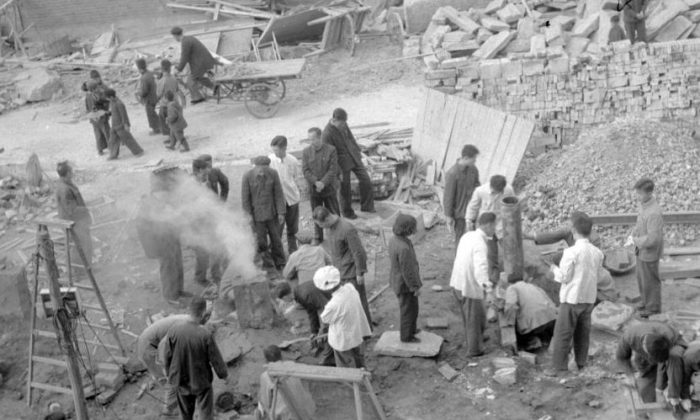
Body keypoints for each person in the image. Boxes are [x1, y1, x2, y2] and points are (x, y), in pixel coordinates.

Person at [545, 214, 603, 377]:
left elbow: (564, 277)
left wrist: (553, 269)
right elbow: (597, 274)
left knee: (563, 332)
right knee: (582, 332)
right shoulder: (597, 253)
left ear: (573, 231)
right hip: (588, 299)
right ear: (590, 232)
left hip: (571, 299)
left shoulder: (570, 252)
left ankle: (559, 367)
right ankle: (581, 363)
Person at [525, 211, 618, 303]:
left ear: (575, 228)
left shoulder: (594, 241)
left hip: (585, 266)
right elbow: (552, 236)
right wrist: (529, 236)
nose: (568, 227)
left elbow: (588, 266)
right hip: (573, 258)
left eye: (570, 225)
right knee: (551, 259)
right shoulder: (570, 232)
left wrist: (562, 274)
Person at [163, 297, 228, 420]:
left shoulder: (173, 330)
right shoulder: (205, 335)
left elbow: (167, 356)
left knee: (185, 414)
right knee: (205, 413)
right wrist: (224, 375)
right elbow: (216, 359)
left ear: (190, 310)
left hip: (180, 380)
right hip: (201, 382)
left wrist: (170, 375)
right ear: (203, 313)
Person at [313, 206, 372, 326]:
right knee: (347, 303)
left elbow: (358, 252)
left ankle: (366, 330)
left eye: (321, 225)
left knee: (358, 301)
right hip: (340, 273)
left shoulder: (347, 229)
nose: (321, 228)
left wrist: (360, 272)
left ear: (328, 219)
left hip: (351, 273)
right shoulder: (329, 228)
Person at [617, 321, 688, 417]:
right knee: (644, 388)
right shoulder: (629, 337)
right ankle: (650, 412)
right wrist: (630, 376)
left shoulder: (667, 335)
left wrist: (662, 389)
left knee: (673, 359)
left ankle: (674, 401)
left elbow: (662, 368)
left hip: (675, 346)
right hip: (644, 358)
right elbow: (622, 358)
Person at [449, 212, 496, 357]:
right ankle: (475, 350)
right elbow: (481, 267)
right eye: (494, 225)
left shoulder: (467, 236)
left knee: (474, 315)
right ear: (488, 225)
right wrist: (488, 289)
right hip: (467, 286)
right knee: (473, 319)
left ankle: (476, 338)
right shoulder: (480, 243)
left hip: (457, 282)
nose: (495, 229)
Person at [136, 167, 185, 303]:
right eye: (166, 192)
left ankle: (179, 290)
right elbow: (145, 228)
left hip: (172, 237)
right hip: (162, 241)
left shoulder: (165, 199)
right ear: (158, 191)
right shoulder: (149, 204)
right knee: (168, 268)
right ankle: (170, 296)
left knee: (177, 264)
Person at [321, 108, 374, 219]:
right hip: (341, 163)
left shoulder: (344, 124)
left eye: (345, 123)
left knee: (366, 180)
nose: (344, 125)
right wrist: (337, 171)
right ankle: (347, 212)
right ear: (334, 120)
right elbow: (330, 156)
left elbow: (351, 138)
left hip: (353, 156)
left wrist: (358, 151)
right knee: (345, 189)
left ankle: (367, 207)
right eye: (342, 123)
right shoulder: (326, 134)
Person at [136, 313, 191, 416]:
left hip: (151, 342)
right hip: (149, 348)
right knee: (171, 379)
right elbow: (163, 347)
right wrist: (168, 370)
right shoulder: (183, 328)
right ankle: (169, 409)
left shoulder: (187, 320)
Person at [318, 266, 371, 368]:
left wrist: (321, 331)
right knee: (358, 356)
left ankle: (352, 382)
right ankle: (364, 374)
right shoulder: (350, 287)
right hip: (356, 333)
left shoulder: (332, 305)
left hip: (342, 339)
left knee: (345, 364)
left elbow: (325, 319)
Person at [465, 174, 514, 283]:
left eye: (501, 191)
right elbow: (473, 206)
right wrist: (469, 220)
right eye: (497, 191)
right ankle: (493, 280)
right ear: (491, 187)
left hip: (503, 226)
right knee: (491, 255)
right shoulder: (480, 191)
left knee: (510, 252)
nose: (499, 193)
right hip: (487, 227)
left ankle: (512, 277)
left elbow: (512, 206)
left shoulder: (508, 190)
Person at [627, 177, 664, 318]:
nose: (637, 196)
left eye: (639, 194)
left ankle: (653, 308)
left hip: (649, 253)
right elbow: (640, 223)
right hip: (641, 251)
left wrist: (635, 240)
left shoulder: (654, 213)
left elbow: (653, 239)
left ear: (648, 193)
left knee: (650, 280)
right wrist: (634, 232)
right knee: (641, 278)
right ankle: (645, 301)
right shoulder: (644, 205)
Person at [242, 156, 286, 270]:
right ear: (255, 167)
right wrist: (248, 217)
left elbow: (279, 194)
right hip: (257, 216)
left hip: (273, 213)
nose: (263, 171)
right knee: (261, 241)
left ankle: (280, 262)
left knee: (276, 239)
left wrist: (281, 212)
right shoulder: (247, 176)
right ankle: (268, 264)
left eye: (265, 168)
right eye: (260, 169)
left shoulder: (273, 173)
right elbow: (245, 199)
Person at [275, 280, 335, 366]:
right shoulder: (299, 294)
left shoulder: (305, 294)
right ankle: (327, 352)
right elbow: (312, 311)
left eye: (283, 299)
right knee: (324, 332)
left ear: (287, 296)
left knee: (330, 330)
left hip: (334, 303)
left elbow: (326, 310)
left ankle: (329, 358)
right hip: (328, 302)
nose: (285, 302)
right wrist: (314, 331)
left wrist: (322, 330)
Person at [192, 155, 229, 285]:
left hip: (213, 219)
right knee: (202, 252)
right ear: (198, 171)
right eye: (205, 170)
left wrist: (221, 202)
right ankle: (200, 278)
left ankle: (216, 275)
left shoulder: (211, 175)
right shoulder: (190, 184)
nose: (208, 171)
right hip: (199, 224)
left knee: (217, 247)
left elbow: (225, 184)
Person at [256, 345, 316, 420]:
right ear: (281, 356)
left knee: (261, 403)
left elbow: (266, 402)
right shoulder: (291, 365)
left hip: (284, 414)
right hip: (304, 406)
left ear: (266, 360)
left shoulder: (265, 376)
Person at [302, 126, 340, 243]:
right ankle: (318, 237)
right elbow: (305, 170)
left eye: (313, 139)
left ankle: (337, 235)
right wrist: (316, 182)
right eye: (309, 140)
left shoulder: (331, 150)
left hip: (329, 189)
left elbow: (333, 170)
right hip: (314, 191)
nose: (311, 142)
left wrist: (323, 183)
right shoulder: (306, 152)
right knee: (316, 214)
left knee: (333, 212)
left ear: (320, 138)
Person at [389, 214, 422, 343]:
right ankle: (406, 336)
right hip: (405, 285)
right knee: (408, 311)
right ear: (407, 229)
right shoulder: (403, 248)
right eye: (413, 227)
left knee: (413, 308)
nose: (415, 230)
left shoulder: (395, 240)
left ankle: (411, 330)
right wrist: (415, 287)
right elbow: (408, 271)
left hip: (398, 281)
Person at [503, 273, 557, 351]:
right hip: (551, 319)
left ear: (509, 282)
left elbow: (511, 305)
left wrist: (509, 321)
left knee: (520, 330)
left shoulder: (512, 288)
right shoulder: (533, 286)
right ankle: (545, 339)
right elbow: (550, 302)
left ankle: (533, 342)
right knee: (542, 324)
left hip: (534, 324)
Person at [55, 161, 93, 266]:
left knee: (84, 246)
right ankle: (81, 271)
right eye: (71, 171)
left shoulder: (65, 184)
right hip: (73, 223)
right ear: (67, 173)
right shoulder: (65, 189)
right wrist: (87, 209)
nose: (72, 173)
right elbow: (72, 211)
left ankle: (85, 268)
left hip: (75, 221)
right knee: (83, 246)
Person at [268, 135, 301, 253]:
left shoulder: (293, 160)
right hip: (277, 202)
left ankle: (293, 252)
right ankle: (277, 255)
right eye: (273, 150)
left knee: (293, 229)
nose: (275, 152)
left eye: (277, 150)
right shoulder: (270, 161)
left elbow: (295, 177)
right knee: (277, 230)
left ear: (284, 148)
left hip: (292, 199)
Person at [171, 26, 219, 104]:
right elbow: (185, 56)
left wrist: (178, 69)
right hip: (202, 60)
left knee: (190, 80)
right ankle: (214, 87)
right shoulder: (189, 38)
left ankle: (198, 97)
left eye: (173, 37)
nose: (174, 38)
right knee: (199, 77)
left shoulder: (185, 42)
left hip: (200, 62)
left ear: (175, 36)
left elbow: (184, 57)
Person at [444, 144, 480, 244]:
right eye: (473, 159)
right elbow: (448, 197)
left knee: (472, 236)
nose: (475, 161)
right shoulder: (452, 174)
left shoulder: (473, 170)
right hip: (460, 213)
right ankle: (459, 258)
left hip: (472, 210)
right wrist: (448, 216)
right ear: (465, 158)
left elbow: (477, 185)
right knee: (461, 239)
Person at [104, 88, 144, 160]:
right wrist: (109, 113)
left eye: (107, 98)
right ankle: (113, 155)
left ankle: (138, 152)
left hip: (121, 126)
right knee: (112, 141)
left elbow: (124, 115)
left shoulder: (119, 104)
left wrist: (126, 125)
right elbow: (114, 112)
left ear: (111, 97)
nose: (107, 99)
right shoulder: (112, 102)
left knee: (128, 140)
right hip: (114, 126)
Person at [136, 58, 161, 135]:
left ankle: (156, 129)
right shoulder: (150, 73)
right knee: (153, 113)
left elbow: (144, 91)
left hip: (149, 99)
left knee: (150, 114)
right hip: (154, 96)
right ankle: (161, 126)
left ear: (140, 69)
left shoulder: (144, 78)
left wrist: (138, 93)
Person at [84, 80, 109, 156]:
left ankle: (100, 150)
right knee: (107, 132)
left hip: (93, 118)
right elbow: (101, 102)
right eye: (96, 88)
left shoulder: (87, 96)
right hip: (100, 117)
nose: (98, 89)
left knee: (98, 135)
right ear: (93, 89)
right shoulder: (95, 96)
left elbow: (87, 108)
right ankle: (111, 147)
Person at [157, 59, 180, 137]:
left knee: (164, 121)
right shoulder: (174, 78)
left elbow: (159, 95)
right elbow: (177, 89)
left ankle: (170, 137)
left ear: (162, 68)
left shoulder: (161, 81)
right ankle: (175, 136)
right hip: (175, 102)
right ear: (170, 68)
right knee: (174, 121)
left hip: (165, 105)